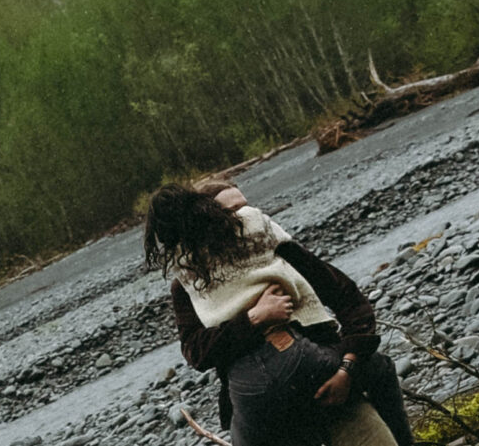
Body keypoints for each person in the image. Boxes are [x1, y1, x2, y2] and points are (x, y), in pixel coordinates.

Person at [144, 182, 414, 446]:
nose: (244, 216)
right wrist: (254, 319)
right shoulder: (188, 283)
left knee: (379, 368)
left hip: (324, 377)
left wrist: (346, 369)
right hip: (269, 399)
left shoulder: (273, 245)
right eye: (232, 211)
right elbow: (196, 352)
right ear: (208, 218)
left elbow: (346, 296)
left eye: (246, 208)